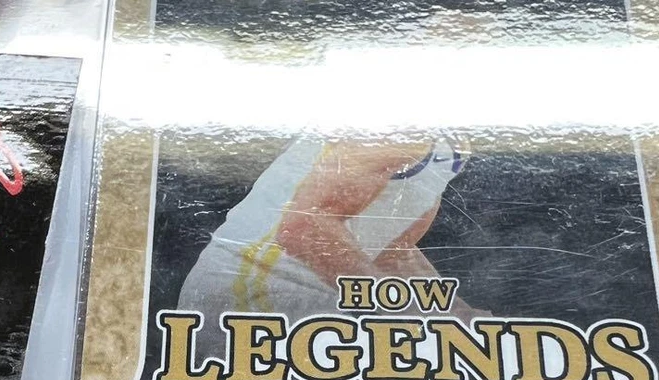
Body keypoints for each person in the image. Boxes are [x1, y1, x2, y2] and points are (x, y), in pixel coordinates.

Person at [178, 136, 484, 325]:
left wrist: (456, 315)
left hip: (313, 291)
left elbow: (391, 251)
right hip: (252, 285)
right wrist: (398, 308)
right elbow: (303, 228)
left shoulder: (454, 142)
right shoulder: (402, 120)